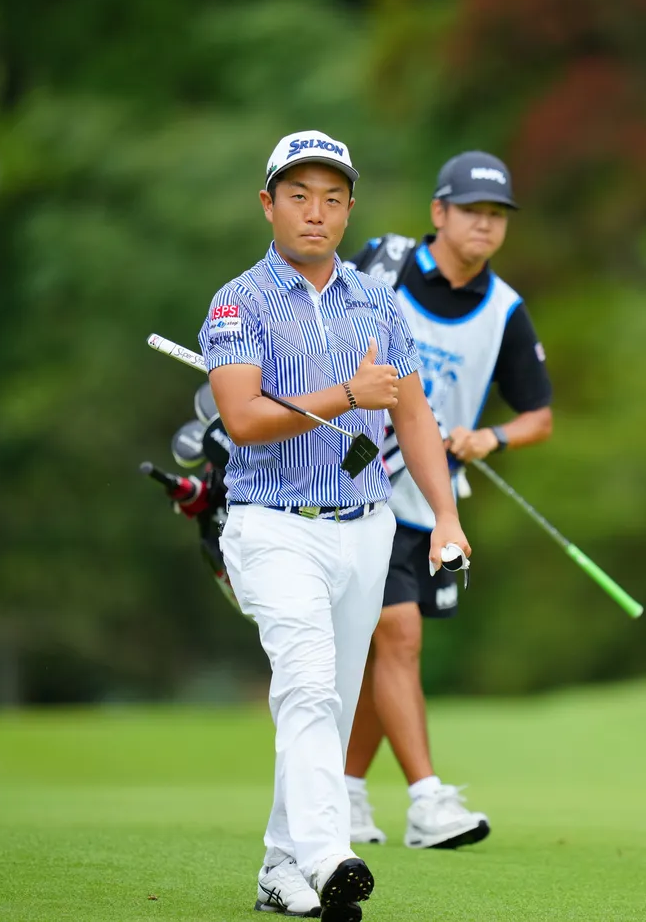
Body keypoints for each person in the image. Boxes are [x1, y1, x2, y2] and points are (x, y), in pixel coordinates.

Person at [198, 129, 470, 920]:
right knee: (311, 683)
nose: (315, 212)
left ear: (350, 209)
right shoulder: (237, 301)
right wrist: (348, 395)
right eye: (298, 196)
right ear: (268, 204)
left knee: (332, 699)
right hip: (271, 524)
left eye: (332, 198)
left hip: (367, 525)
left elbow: (413, 417)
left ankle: (281, 866)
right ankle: (327, 855)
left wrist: (446, 516)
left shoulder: (378, 301)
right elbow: (243, 418)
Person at [340, 151, 553, 849]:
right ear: (440, 212)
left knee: (388, 653)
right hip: (358, 485)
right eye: (472, 211)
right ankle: (426, 801)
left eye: (497, 215)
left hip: (431, 507)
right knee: (399, 638)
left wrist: (490, 437)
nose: (485, 225)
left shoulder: (505, 309)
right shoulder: (387, 267)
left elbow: (539, 416)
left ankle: (344, 793)